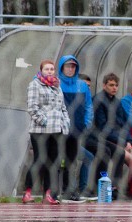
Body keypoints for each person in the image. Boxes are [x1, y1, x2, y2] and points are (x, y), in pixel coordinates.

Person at [23, 59, 70, 205]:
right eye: (47, 69)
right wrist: (44, 121)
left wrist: (65, 123)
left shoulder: (57, 86)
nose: (50, 71)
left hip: (57, 130)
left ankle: (48, 194)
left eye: (52, 69)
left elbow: (63, 107)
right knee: (39, 159)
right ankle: (28, 192)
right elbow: (32, 107)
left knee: (53, 162)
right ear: (41, 70)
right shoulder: (35, 85)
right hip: (40, 130)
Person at [86, 72, 132, 198]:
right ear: (104, 85)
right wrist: (122, 142)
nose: (114, 88)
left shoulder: (117, 102)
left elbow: (126, 123)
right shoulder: (98, 100)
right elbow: (102, 127)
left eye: (116, 85)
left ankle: (117, 187)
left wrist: (129, 140)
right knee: (114, 151)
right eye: (111, 85)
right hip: (98, 137)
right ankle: (104, 187)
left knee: (125, 154)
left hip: (116, 138)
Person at [57, 55, 94, 202]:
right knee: (61, 160)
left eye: (73, 66)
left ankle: (72, 191)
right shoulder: (57, 83)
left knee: (73, 160)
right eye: (67, 66)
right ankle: (60, 190)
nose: (70, 69)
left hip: (77, 129)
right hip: (60, 129)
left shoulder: (82, 85)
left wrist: (87, 124)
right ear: (61, 67)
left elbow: (88, 106)